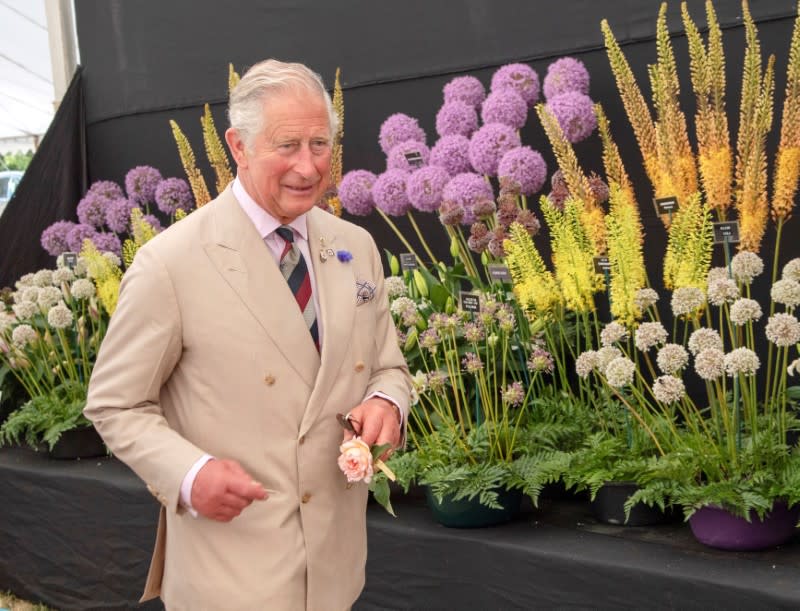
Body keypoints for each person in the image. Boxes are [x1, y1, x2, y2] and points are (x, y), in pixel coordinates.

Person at [84, 59, 411, 610]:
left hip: (334, 568)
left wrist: (387, 402)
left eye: (320, 144)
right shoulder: (171, 263)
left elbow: (388, 366)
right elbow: (116, 405)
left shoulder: (357, 247)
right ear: (238, 146)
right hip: (230, 575)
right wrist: (189, 474)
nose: (308, 167)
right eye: (287, 146)